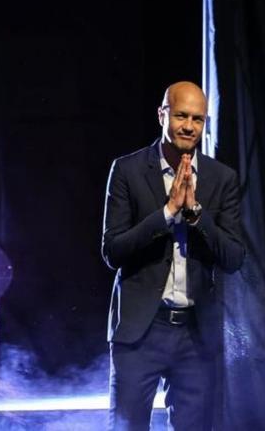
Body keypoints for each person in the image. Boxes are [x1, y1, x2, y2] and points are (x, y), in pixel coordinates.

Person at [101, 81, 245, 430]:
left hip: (196, 336)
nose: (189, 126)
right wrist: (166, 214)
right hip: (141, 332)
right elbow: (113, 251)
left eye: (198, 119)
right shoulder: (127, 171)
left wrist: (195, 213)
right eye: (181, 115)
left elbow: (234, 257)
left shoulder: (221, 178)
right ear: (162, 114)